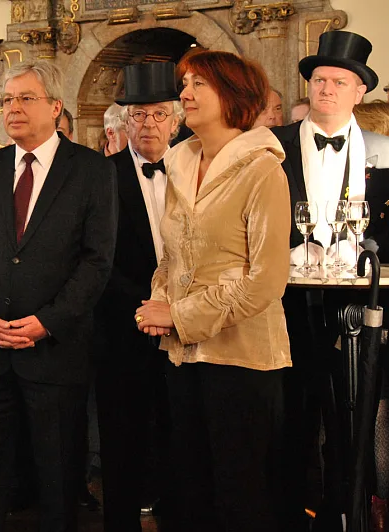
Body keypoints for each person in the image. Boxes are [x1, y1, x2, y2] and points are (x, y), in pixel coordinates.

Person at [0, 59, 118, 532]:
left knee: (57, 481)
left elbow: (96, 261)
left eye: (26, 98)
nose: (13, 108)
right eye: (7, 99)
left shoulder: (90, 171)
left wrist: (48, 322)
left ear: (56, 107)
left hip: (54, 351)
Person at [135, 50, 291, 532]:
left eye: (199, 84)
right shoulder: (181, 161)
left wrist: (177, 315)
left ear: (234, 95)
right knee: (191, 491)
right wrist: (157, 303)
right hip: (184, 358)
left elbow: (265, 280)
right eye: (185, 83)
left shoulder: (262, 169)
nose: (185, 94)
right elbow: (171, 254)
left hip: (243, 358)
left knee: (239, 496)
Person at [271, 30, 389, 530]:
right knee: (288, 417)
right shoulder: (272, 147)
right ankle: (289, 513)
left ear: (358, 92)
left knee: (351, 416)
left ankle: (350, 511)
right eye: (320, 80)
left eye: (339, 82)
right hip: (283, 302)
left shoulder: (382, 153)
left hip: (357, 305)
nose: (327, 89)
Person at [94, 61, 182, 532]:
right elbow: (95, 260)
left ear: (176, 120)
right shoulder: (99, 176)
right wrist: (146, 309)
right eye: (138, 115)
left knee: (180, 442)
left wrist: (175, 312)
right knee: (122, 446)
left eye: (158, 115)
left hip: (187, 331)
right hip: (120, 331)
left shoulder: (196, 170)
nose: (148, 124)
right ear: (123, 122)